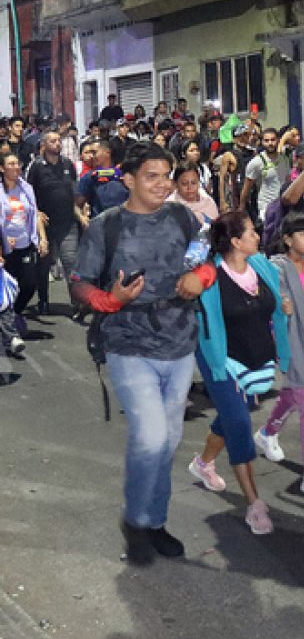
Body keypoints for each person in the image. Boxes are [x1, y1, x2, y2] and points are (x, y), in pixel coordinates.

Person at [71, 141, 216, 565]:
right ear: (129, 179)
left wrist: (201, 278)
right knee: (151, 435)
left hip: (180, 340)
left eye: (166, 175)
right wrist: (109, 299)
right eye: (152, 176)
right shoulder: (106, 225)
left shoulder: (181, 216)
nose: (162, 184)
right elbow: (79, 283)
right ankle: (134, 520)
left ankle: (155, 520)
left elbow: (206, 259)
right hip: (128, 342)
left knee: (168, 440)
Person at [188, 211, 290, 534]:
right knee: (240, 424)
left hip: (254, 356)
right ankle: (254, 505)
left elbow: (274, 303)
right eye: (251, 233)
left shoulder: (261, 266)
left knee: (235, 414)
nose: (257, 236)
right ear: (235, 241)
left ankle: (203, 464)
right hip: (218, 357)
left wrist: (282, 306)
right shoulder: (209, 275)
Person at [254, 212, 304, 500]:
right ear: (287, 239)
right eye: (302, 234)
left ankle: (266, 432)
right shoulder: (277, 267)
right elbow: (273, 301)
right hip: (290, 339)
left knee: (294, 392)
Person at [25, 130, 81, 315]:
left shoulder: (67, 164)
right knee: (43, 264)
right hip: (45, 225)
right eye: (53, 141)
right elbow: (28, 194)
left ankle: (76, 303)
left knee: (71, 263)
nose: (57, 144)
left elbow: (74, 191)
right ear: (44, 144)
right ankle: (43, 301)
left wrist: (81, 213)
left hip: (67, 223)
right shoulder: (36, 166)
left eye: (59, 140)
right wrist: (37, 212)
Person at [0, 152, 48, 334]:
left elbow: (34, 214)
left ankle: (15, 314)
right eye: (11, 164)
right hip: (5, 249)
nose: (16, 167)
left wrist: (42, 238)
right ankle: (8, 327)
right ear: (2, 168)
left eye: (17, 164)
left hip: (25, 244)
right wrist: (3, 239)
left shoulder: (26, 188)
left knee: (28, 285)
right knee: (6, 288)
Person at [239, 127, 290, 223]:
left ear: (278, 140)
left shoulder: (284, 159)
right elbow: (246, 188)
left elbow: (287, 181)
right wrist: (241, 208)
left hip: (283, 207)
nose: (270, 143)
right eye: (266, 140)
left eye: (273, 140)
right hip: (266, 208)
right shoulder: (256, 162)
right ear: (262, 142)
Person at [76, 140, 129, 219]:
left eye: (94, 152)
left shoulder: (125, 173)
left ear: (107, 152)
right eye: (89, 153)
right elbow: (77, 204)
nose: (91, 156)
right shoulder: (90, 177)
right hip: (100, 225)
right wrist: (83, 220)